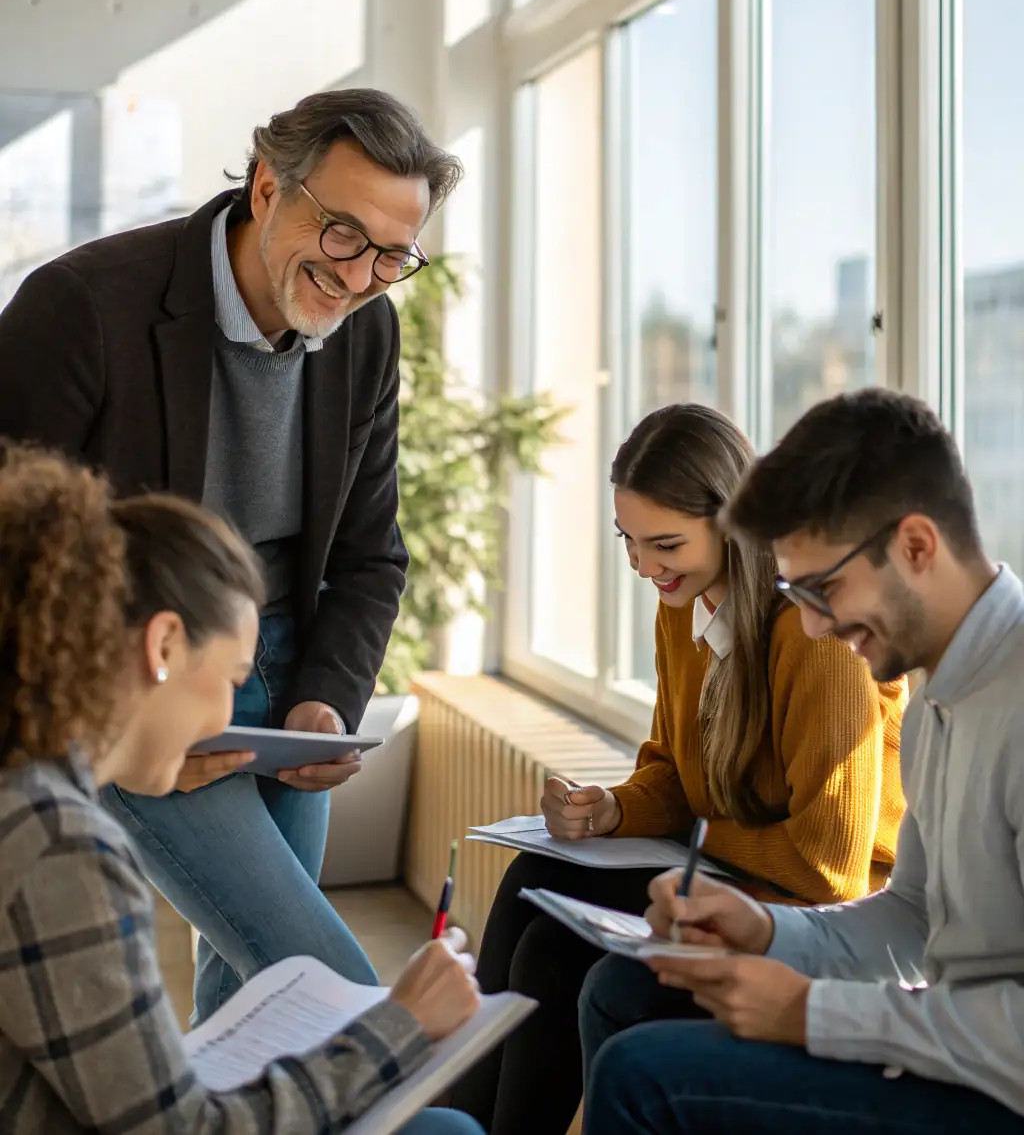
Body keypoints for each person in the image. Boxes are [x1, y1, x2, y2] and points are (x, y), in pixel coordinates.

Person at [0, 88, 463, 1025]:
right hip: (144, 674)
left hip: (289, 675)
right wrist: (119, 726)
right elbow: (13, 558)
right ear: (266, 188)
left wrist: (328, 698)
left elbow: (370, 555)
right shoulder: (83, 306)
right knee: (325, 979)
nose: (359, 276)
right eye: (343, 232)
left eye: (391, 255)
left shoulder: (369, 331)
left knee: (259, 994)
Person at [0, 445, 484, 1135]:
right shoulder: (58, 846)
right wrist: (398, 1024)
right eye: (231, 678)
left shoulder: (25, 791)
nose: (229, 717)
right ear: (163, 645)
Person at [450, 403, 906, 1135]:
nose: (643, 567)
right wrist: (612, 809)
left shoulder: (816, 633)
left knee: (562, 959)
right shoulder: (685, 603)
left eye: (664, 544)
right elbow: (671, 768)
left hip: (822, 902)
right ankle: (459, 1125)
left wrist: (696, 828)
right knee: (532, 884)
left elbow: (829, 869)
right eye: (628, 541)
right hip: (739, 865)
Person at [584, 388, 1024, 1135]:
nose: (814, 626)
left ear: (917, 547)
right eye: (796, 591)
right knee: (635, 1030)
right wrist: (762, 929)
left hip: (995, 1094)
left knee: (642, 1073)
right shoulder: (940, 703)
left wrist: (814, 1013)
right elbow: (912, 919)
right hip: (955, 1056)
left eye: (825, 588)